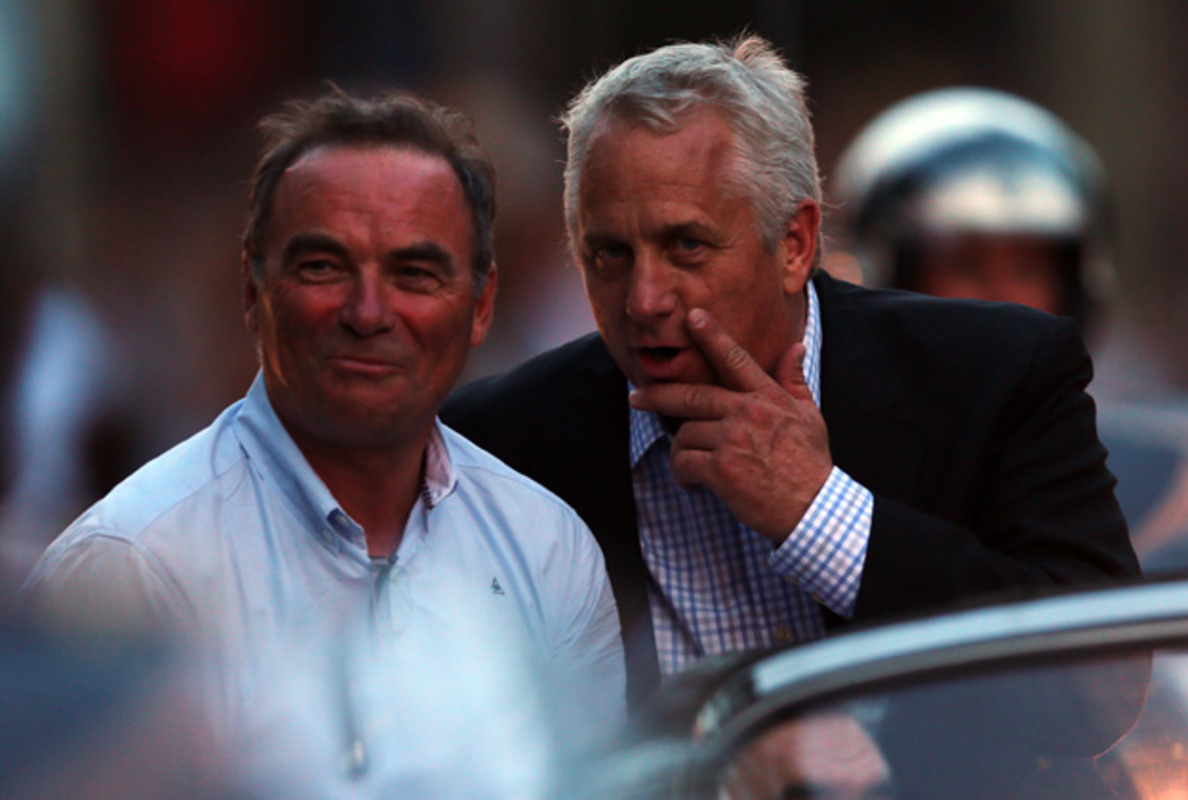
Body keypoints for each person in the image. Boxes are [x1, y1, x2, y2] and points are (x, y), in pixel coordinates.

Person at [441, 36, 1138, 712]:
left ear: (796, 245)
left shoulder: (996, 373)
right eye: (609, 255)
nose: (644, 299)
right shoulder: (500, 443)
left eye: (686, 246)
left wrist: (820, 514)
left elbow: (1102, 690)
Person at [23, 88, 625, 793]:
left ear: (482, 304)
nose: (368, 312)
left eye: (414, 273)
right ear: (253, 290)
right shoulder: (130, 568)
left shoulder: (546, 547)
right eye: (324, 267)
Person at [830, 87, 1188, 571]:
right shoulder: (814, 464)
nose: (1001, 294)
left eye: (1028, 268)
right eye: (965, 264)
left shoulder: (1170, 478)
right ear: (890, 273)